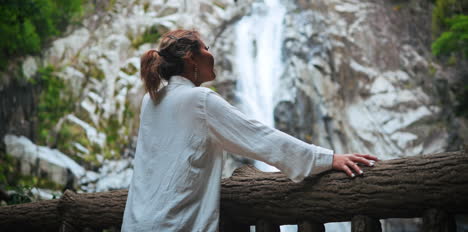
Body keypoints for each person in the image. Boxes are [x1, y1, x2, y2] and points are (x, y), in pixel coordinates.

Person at [121, 29, 379, 231]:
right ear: (191, 57)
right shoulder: (199, 100)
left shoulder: (151, 99)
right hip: (174, 225)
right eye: (206, 48)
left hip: (136, 222)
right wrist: (327, 159)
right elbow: (259, 137)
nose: (212, 54)